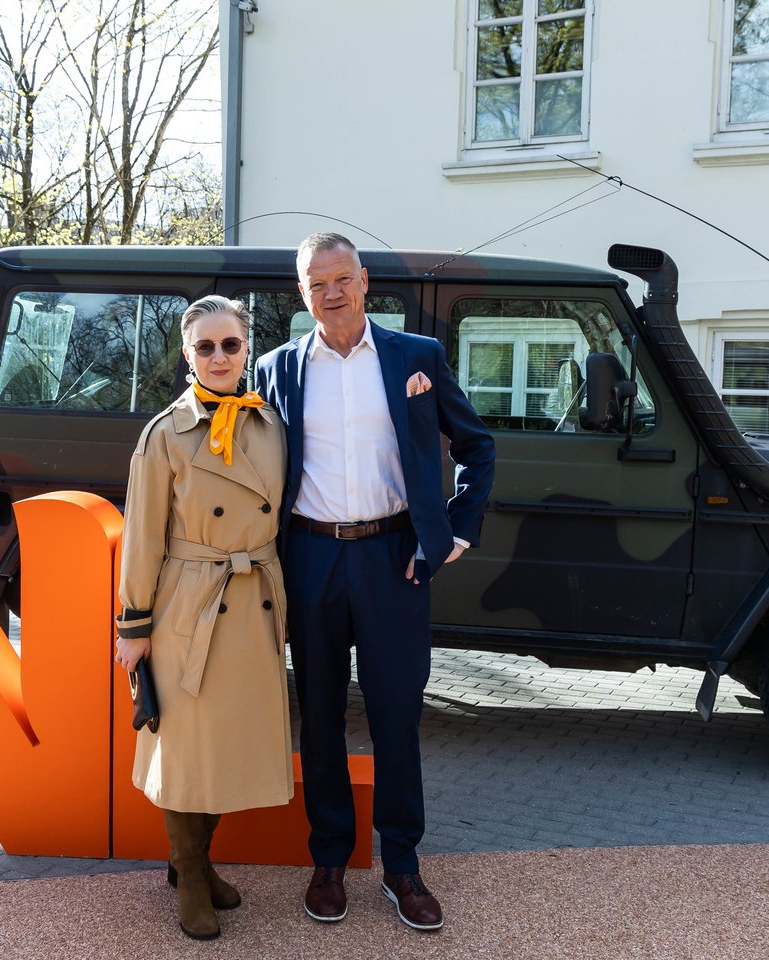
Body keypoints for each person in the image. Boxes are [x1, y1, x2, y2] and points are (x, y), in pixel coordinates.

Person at [253, 233, 495, 931]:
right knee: (320, 716)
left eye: (341, 279)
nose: (330, 293)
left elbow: (477, 446)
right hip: (309, 557)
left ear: (364, 280)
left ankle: (403, 867)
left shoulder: (416, 356)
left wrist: (455, 532)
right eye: (315, 283)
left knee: (396, 715)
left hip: (394, 559)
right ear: (302, 293)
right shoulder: (275, 369)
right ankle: (329, 860)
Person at [114, 295, 293, 941]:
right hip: (189, 604)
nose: (220, 357)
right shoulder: (164, 433)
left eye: (231, 344)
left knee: (228, 744)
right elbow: (142, 537)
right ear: (188, 355)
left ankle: (195, 859)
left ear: (247, 349)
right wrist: (133, 627)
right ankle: (188, 871)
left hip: (254, 599)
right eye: (206, 347)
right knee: (189, 748)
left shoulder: (271, 424)